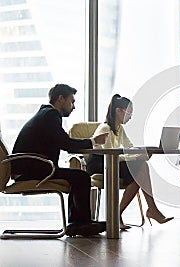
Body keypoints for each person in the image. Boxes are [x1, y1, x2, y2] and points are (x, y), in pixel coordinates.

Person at [11, 84, 109, 237]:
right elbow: (67, 144)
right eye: (72, 101)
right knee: (81, 177)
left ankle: (77, 223)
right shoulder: (50, 115)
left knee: (76, 177)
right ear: (61, 99)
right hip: (32, 169)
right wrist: (93, 141)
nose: (74, 107)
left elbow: (64, 143)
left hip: (30, 167)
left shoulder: (45, 114)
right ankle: (81, 223)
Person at [86, 94, 173, 230]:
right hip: (100, 164)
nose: (131, 116)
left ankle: (120, 214)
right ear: (118, 111)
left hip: (115, 163)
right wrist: (136, 158)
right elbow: (111, 155)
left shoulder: (120, 129)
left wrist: (139, 154)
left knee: (140, 173)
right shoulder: (105, 129)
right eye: (129, 112)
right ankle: (149, 210)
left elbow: (129, 148)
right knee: (141, 169)